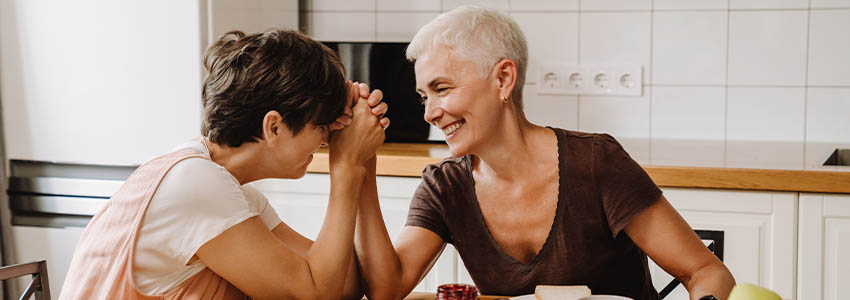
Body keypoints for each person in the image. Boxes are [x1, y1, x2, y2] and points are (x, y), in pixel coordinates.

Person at [352, 6, 736, 300]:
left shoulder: (596, 163)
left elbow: (706, 272)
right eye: (424, 96)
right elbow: (388, 288)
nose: (429, 113)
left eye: (442, 89)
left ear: (503, 78)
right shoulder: (445, 186)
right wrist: (363, 165)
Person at [60, 29, 389, 300]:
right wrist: (346, 165)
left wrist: (358, 154)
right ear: (274, 127)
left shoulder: (230, 192)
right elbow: (316, 294)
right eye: (320, 127)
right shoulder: (195, 183)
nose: (326, 140)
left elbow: (343, 285)